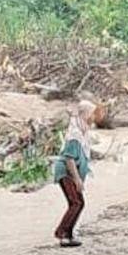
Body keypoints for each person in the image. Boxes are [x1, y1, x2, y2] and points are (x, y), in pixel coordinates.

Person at [52, 103, 94, 247]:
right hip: (66, 171)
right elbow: (69, 159)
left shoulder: (79, 128)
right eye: (90, 113)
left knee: (78, 203)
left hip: (71, 171)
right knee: (76, 202)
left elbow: (73, 114)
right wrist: (77, 179)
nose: (92, 116)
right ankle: (62, 233)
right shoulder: (74, 135)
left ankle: (68, 234)